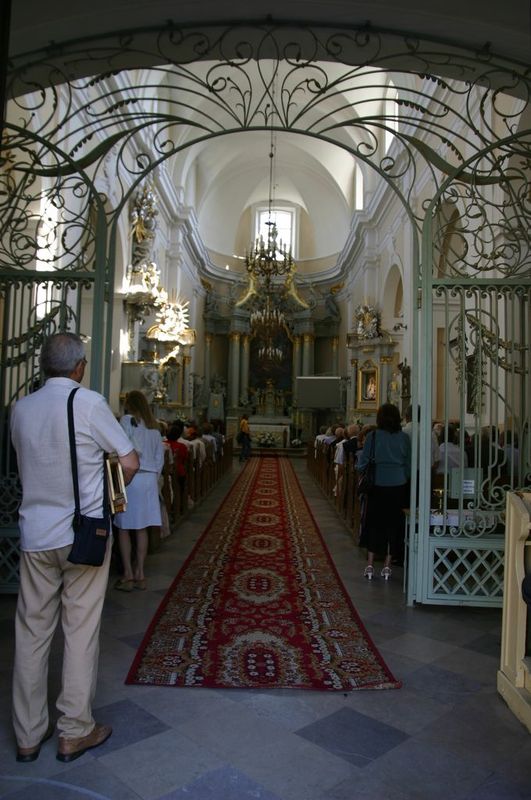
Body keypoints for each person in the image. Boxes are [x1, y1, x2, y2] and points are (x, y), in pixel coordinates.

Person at [9, 333, 139, 763]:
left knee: (31, 633)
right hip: (83, 535)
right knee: (80, 631)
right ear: (80, 367)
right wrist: (107, 497)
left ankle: (28, 735)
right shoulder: (88, 404)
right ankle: (74, 730)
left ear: (42, 366)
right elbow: (130, 460)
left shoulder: (21, 409)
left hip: (35, 534)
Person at [113, 390, 164, 592]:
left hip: (129, 479)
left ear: (129, 404)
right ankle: (141, 573)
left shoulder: (126, 420)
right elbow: (159, 459)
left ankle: (128, 574)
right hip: (149, 479)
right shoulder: (154, 428)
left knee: (123, 528)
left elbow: (119, 447)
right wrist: (153, 478)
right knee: (142, 528)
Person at [357, 403, 411, 581]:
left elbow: (363, 462)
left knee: (374, 523)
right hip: (398, 485)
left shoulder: (372, 436)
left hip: (377, 484)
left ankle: (370, 564)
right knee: (393, 525)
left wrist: (361, 470)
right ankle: (387, 566)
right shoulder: (404, 438)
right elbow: (409, 464)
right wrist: (402, 476)